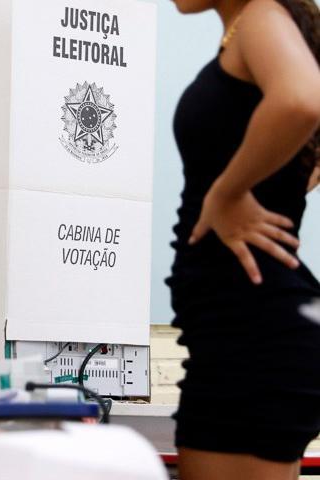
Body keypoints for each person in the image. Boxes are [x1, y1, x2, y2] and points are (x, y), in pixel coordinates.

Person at [166, 1, 320, 479]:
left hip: (252, 328)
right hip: (240, 325)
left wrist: (228, 192)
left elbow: (302, 99)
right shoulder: (250, 30)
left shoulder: (259, 16)